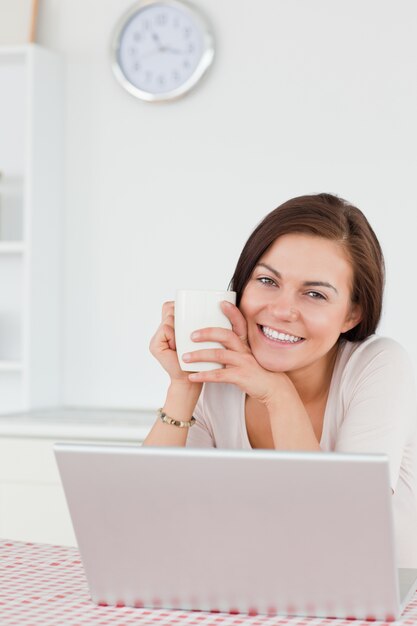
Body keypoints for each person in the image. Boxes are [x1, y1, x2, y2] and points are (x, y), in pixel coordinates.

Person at [144, 192, 417, 568]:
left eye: (315, 293)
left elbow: (340, 529)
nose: (282, 310)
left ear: (352, 314)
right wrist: (183, 386)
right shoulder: (221, 376)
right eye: (268, 281)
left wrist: (277, 394)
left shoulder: (379, 365)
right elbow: (148, 514)